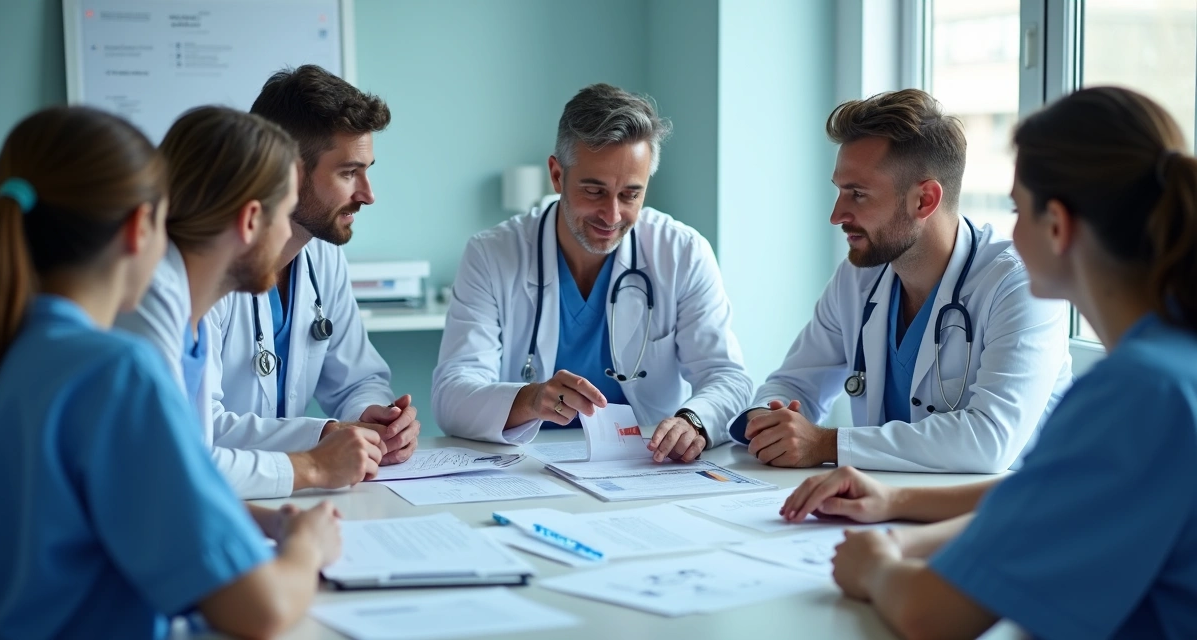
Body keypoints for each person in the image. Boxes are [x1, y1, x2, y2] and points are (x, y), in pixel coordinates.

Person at [782, 86, 1197, 639]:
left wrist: (876, 567)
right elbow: (1047, 494)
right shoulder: (1171, 364)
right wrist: (897, 510)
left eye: (1015, 210)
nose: (1010, 232)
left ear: (1058, 225)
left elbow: (930, 614)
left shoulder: (1137, 393)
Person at [0, 106, 340, 639]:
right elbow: (260, 612)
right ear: (139, 229)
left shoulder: (14, 343)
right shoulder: (116, 371)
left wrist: (261, 521)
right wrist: (308, 545)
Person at [735, 89, 1072, 473]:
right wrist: (770, 419)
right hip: (886, 506)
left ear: (925, 201)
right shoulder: (859, 277)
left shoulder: (1021, 286)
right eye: (839, 191)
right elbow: (794, 384)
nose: (836, 214)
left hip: (1003, 518)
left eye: (857, 194)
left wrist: (826, 443)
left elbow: (989, 440)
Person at [433, 83, 752, 462]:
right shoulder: (492, 254)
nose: (612, 215)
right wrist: (530, 398)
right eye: (594, 191)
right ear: (556, 175)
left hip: (643, 465)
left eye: (630, 194)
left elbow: (728, 377)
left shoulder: (682, 252)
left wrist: (694, 421)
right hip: (526, 466)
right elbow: (452, 395)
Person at [116, 106, 388, 499]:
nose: (290, 239)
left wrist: (278, 527)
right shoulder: (155, 300)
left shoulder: (181, 292)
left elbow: (184, 462)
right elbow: (177, 471)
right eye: (284, 212)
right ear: (250, 220)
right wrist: (313, 464)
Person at [206, 65, 419, 485]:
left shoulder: (322, 255)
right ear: (286, 170)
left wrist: (375, 421)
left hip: (283, 490)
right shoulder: (207, 268)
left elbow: (358, 379)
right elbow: (197, 429)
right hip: (223, 494)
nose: (368, 194)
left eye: (367, 169)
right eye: (347, 172)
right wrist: (323, 435)